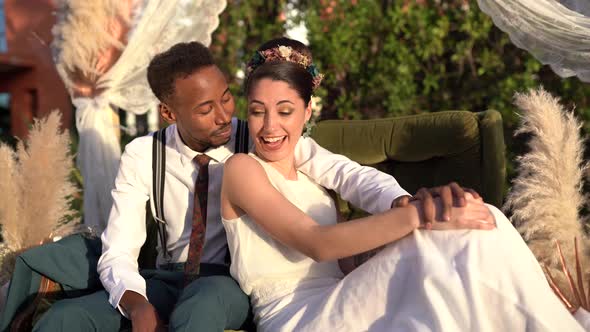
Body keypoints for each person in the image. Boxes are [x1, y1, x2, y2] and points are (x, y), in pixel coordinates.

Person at [28, 40, 469, 332]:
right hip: (163, 273)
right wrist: (134, 301)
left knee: (197, 314)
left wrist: (400, 199)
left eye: (226, 98)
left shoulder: (262, 135)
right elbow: (120, 247)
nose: (225, 115)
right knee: (65, 319)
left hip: (223, 281)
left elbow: (347, 173)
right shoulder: (143, 154)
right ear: (169, 113)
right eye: (206, 108)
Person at [219, 42, 585, 331]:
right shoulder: (242, 169)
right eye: (256, 111)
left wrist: (409, 206)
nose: (269, 127)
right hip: (298, 316)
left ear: (307, 111)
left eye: (284, 111)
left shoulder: (308, 160)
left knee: (477, 220)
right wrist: (419, 215)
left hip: (342, 295)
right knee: (448, 230)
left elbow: (358, 178)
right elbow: (317, 243)